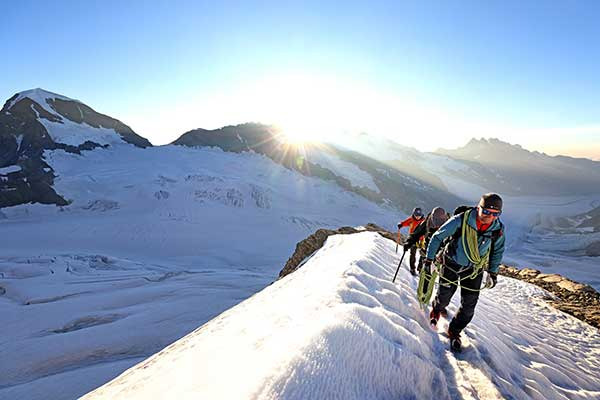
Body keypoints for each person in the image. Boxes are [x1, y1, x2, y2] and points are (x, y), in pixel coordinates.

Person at [423, 193, 505, 352]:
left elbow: (497, 251)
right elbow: (438, 237)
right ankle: (437, 308)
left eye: (495, 214)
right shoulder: (461, 220)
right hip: (452, 264)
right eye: (486, 212)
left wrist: (493, 273)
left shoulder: (498, 229)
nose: (490, 217)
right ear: (478, 207)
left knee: (469, 306)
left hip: (474, 270)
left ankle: (454, 330)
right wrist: (429, 260)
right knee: (444, 295)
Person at [404, 207, 449, 301]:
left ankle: (440, 302)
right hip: (429, 253)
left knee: (441, 279)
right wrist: (409, 242)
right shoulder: (427, 222)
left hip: (441, 255)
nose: (436, 226)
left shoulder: (450, 224)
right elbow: (417, 233)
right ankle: (424, 295)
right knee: (427, 274)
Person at [397, 207, 425, 275]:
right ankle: (412, 268)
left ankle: (420, 268)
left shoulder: (424, 221)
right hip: (413, 239)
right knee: (413, 253)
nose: (418, 217)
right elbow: (405, 223)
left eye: (419, 216)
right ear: (413, 214)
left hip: (422, 240)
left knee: (423, 254)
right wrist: (401, 224)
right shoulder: (411, 219)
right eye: (416, 215)